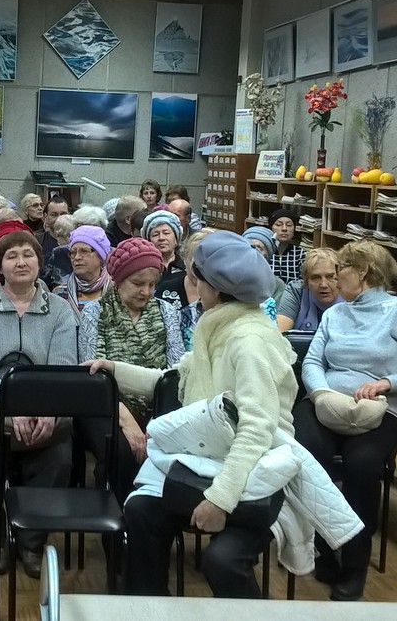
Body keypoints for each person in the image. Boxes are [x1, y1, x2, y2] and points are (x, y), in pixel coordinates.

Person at [82, 232, 298, 599]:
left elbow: (256, 430)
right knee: (142, 511)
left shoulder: (249, 341)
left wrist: (219, 500)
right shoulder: (221, 325)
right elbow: (174, 377)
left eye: (198, 279)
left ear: (215, 287)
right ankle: (150, 607)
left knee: (222, 562)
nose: (193, 285)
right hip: (212, 461)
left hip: (250, 477)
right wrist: (113, 368)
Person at [296, 240, 397, 601]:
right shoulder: (335, 314)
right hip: (327, 401)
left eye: (340, 268)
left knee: (362, 465)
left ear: (361, 272)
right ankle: (322, 545)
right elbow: (312, 362)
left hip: (378, 408)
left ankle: (355, 563)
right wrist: (320, 392)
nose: (334, 276)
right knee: (306, 452)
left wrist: (386, 383)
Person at [0, 229, 78, 578]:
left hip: (45, 411)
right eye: (12, 256)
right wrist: (13, 406)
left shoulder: (59, 309)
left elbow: (62, 368)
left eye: (28, 255)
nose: (21, 262)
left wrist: (47, 410)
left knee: (59, 461)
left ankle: (31, 543)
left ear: (40, 263)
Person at [78, 237, 185, 499]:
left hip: (158, 407)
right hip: (105, 406)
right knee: (121, 452)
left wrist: (157, 420)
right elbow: (92, 375)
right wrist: (126, 420)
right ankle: (114, 517)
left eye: (152, 285)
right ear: (118, 280)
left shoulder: (167, 312)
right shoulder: (95, 312)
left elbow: (175, 372)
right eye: (138, 284)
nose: (146, 292)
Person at [276, 248, 342, 333]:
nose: (323, 285)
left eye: (330, 277)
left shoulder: (352, 297)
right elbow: (279, 334)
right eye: (315, 278)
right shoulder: (296, 292)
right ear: (306, 281)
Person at [52, 225, 112, 316]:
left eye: (84, 251)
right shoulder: (60, 294)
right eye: (73, 252)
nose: (77, 257)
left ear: (101, 256)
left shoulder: (116, 291)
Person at [143, 210, 185, 305]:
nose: (161, 238)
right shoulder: (144, 269)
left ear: (176, 239)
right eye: (155, 234)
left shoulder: (186, 268)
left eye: (166, 233)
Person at [269, 208, 307, 284]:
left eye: (289, 225)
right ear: (271, 228)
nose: (284, 229)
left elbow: (304, 283)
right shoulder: (265, 252)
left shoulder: (300, 254)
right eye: (279, 225)